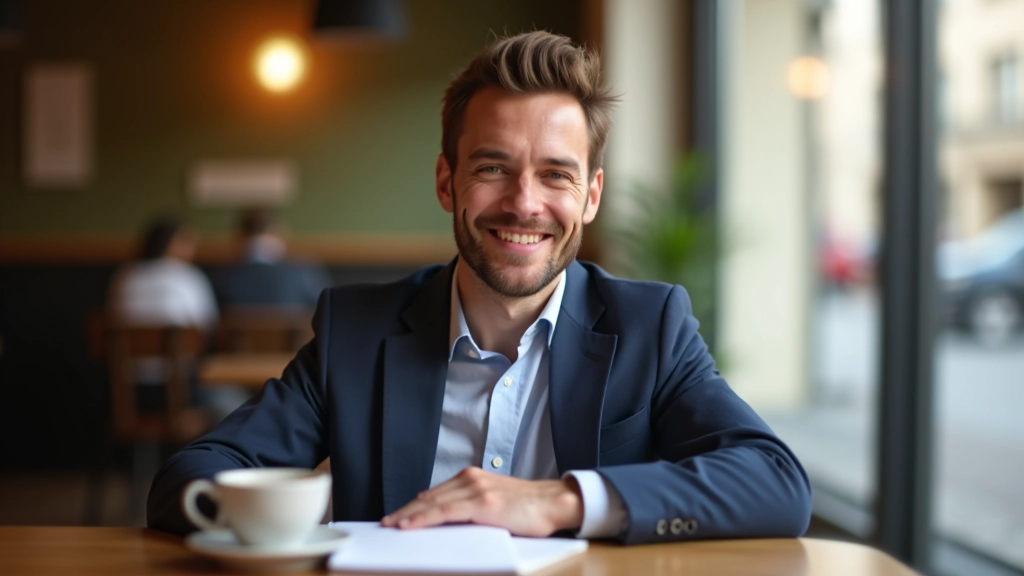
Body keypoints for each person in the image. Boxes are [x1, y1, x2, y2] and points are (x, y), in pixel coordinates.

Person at [148, 31, 812, 544]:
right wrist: (295, 512)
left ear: (591, 197)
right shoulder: (358, 329)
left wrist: (558, 501)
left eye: (556, 175)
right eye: (494, 167)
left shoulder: (652, 326)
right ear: (447, 183)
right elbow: (192, 474)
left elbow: (776, 484)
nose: (524, 204)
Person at [207, 208, 332, 309]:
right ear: (277, 232)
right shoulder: (304, 274)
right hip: (298, 341)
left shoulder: (220, 280)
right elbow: (327, 312)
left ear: (240, 236)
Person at [108, 216, 217, 331]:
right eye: (186, 241)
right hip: (180, 347)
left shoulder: (124, 274)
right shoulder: (190, 275)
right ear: (169, 243)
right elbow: (208, 323)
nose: (192, 249)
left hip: (123, 347)